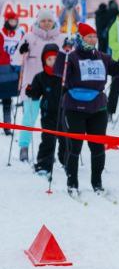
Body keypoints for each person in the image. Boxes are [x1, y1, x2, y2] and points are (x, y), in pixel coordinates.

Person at [55, 24, 119, 197]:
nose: (92, 39)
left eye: (94, 36)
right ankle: (72, 183)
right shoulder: (72, 57)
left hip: (98, 108)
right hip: (74, 108)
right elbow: (60, 72)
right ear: (80, 38)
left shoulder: (102, 57)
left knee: (98, 148)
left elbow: (118, 71)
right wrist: (63, 53)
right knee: (74, 147)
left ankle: (97, 183)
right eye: (88, 36)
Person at [15, 8, 65, 162]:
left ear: (54, 22)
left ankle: (52, 149)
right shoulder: (29, 37)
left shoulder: (61, 38)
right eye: (43, 20)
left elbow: (69, 60)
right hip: (33, 84)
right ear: (38, 22)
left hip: (54, 86)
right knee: (29, 117)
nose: (46, 23)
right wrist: (21, 51)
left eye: (49, 20)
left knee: (55, 119)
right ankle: (24, 147)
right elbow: (16, 60)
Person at [24, 44, 65, 178]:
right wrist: (31, 91)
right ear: (44, 61)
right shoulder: (40, 77)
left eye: (55, 59)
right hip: (48, 114)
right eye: (49, 59)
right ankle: (43, 164)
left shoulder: (64, 75)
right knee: (48, 139)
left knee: (66, 139)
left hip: (65, 112)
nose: (53, 62)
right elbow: (36, 94)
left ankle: (66, 161)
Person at [0, 7, 25, 125]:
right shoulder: (1, 33)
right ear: (6, 21)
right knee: (6, 98)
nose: (13, 23)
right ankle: (7, 124)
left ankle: (8, 124)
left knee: (11, 97)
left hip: (16, 68)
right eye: (11, 21)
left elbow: (23, 48)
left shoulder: (20, 33)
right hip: (4, 68)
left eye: (15, 21)